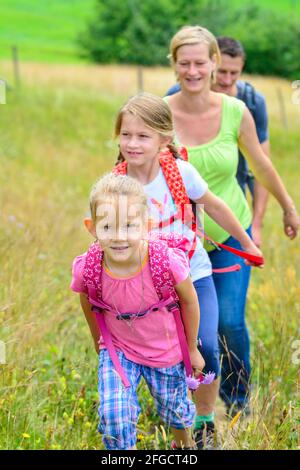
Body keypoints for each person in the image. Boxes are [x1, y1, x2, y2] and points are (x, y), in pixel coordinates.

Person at [111, 92, 262, 448]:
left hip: (194, 276)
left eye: (142, 136)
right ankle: (174, 418)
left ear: (164, 139)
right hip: (146, 288)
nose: (132, 143)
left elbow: (217, 206)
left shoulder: (180, 173)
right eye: (126, 135)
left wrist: (247, 243)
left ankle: (205, 420)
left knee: (206, 344)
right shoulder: (116, 186)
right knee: (162, 357)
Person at [165, 25, 300, 419]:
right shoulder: (159, 111)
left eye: (200, 62)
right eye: (184, 63)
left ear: (214, 63)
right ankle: (188, 407)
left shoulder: (236, 111)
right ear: (173, 65)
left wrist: (288, 207)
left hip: (231, 234)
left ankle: (237, 400)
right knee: (189, 330)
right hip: (179, 243)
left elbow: (260, 163)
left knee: (228, 321)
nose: (193, 71)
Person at [71, 173, 205, 450]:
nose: (119, 237)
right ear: (91, 227)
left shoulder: (166, 262)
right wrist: (100, 342)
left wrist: (191, 349)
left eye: (130, 226)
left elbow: (190, 301)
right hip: (119, 350)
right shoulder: (89, 268)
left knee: (175, 410)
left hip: (166, 349)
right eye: (107, 227)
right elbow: (88, 302)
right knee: (113, 414)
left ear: (147, 225)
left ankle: (184, 445)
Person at [166, 36, 270, 248]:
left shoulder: (251, 104)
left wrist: (256, 226)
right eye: (223, 72)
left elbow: (261, 167)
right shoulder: (170, 101)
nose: (227, 80)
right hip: (182, 227)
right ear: (215, 64)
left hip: (231, 197)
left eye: (235, 73)